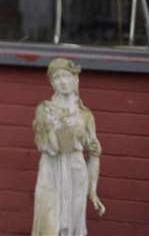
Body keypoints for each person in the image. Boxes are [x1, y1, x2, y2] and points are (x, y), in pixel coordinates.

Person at [32, 57, 107, 236]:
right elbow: (50, 146)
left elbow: (95, 154)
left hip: (76, 171)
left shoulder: (85, 115)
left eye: (66, 76)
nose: (63, 81)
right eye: (57, 77)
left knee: (74, 224)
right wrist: (52, 129)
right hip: (51, 170)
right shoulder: (45, 110)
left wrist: (93, 192)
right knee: (49, 223)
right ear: (51, 83)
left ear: (75, 79)